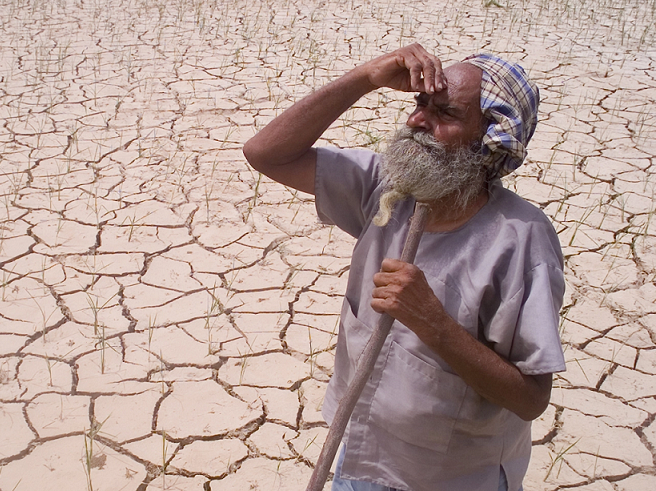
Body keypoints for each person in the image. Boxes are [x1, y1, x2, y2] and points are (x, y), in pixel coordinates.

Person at [242, 44, 565, 491]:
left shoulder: (521, 239)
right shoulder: (386, 187)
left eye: (444, 113)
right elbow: (265, 152)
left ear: (491, 139)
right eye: (419, 104)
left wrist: (434, 323)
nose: (417, 122)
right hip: (355, 453)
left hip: (447, 478)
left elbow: (530, 398)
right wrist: (365, 77)